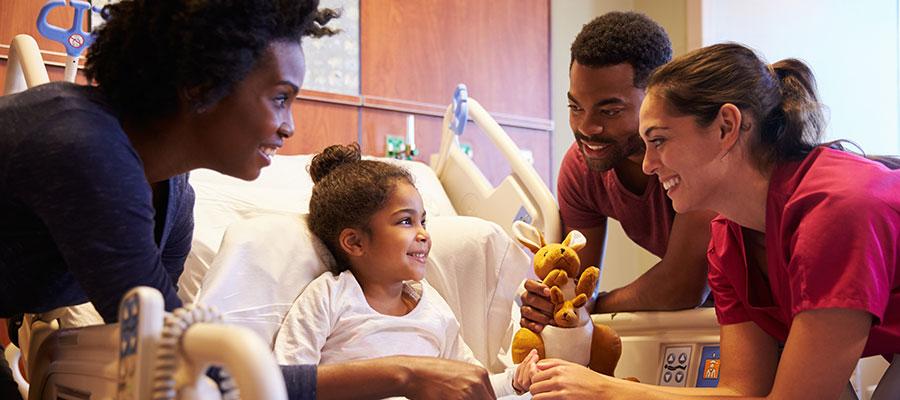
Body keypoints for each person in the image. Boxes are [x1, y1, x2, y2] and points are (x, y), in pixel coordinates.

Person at [0, 1, 496, 399]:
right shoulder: (85, 149)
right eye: (280, 98)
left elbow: (169, 353)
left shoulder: (174, 198)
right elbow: (187, 359)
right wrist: (403, 374)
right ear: (202, 86)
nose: (289, 126)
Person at [529, 42, 900, 399]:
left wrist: (605, 391)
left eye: (659, 141)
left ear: (726, 126)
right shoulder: (728, 241)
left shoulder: (835, 210)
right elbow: (741, 390)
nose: (648, 165)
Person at [274, 143, 539, 397]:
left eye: (423, 221)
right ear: (354, 242)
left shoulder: (432, 305)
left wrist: (513, 381)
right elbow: (286, 383)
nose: (423, 234)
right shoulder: (330, 298)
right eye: (405, 221)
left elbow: (470, 382)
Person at [520, 12, 716, 336]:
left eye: (610, 111)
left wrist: (594, 305)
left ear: (657, 95)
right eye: (575, 107)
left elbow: (683, 286)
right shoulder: (581, 169)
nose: (587, 127)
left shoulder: (696, 155)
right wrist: (556, 303)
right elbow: (576, 284)